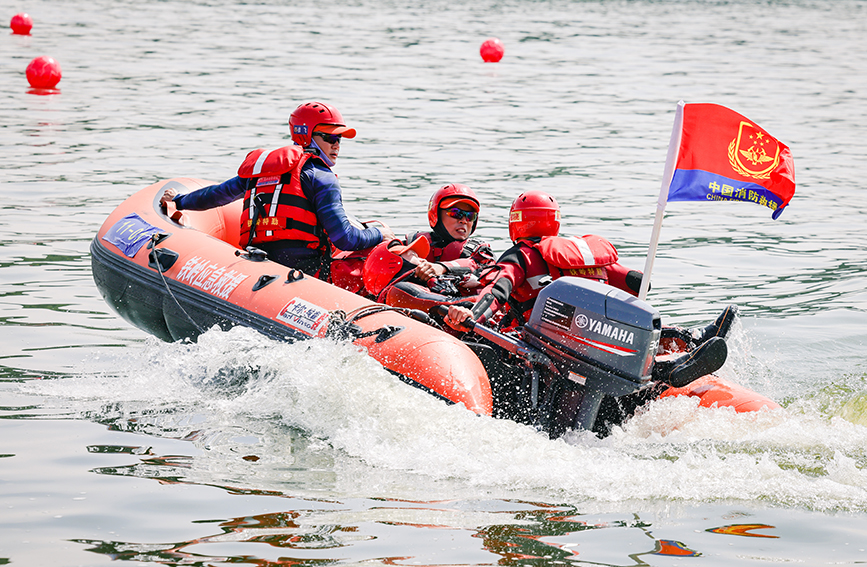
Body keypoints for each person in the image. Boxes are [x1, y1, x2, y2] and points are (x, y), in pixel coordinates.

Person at [444, 190, 735, 388]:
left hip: (549, 350)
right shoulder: (579, 253)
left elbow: (498, 291)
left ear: (516, 222)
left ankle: (668, 367)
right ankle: (685, 346)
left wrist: (470, 315)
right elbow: (639, 282)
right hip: (599, 342)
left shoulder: (522, 255)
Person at [159, 101, 394, 278]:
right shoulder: (321, 177)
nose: (336, 145)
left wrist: (179, 201)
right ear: (306, 135)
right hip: (304, 273)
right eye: (329, 137)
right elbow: (345, 239)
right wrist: (378, 234)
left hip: (256, 265)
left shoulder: (261, 170)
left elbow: (218, 195)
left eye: (340, 139)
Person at [361, 184, 494, 300]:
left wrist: (441, 268)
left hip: (460, 314)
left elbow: (476, 265)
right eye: (455, 213)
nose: (464, 220)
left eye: (470, 216)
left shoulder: (480, 252)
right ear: (435, 214)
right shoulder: (413, 242)